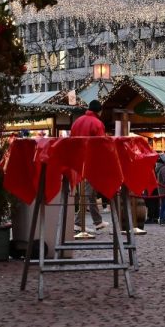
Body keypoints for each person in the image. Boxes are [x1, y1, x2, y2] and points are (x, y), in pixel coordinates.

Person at [72, 99, 108, 233]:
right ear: (99, 111)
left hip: (77, 161)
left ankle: (97, 221)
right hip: (92, 162)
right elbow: (101, 145)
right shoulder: (97, 123)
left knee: (90, 192)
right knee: (87, 192)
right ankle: (78, 222)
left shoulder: (78, 121)